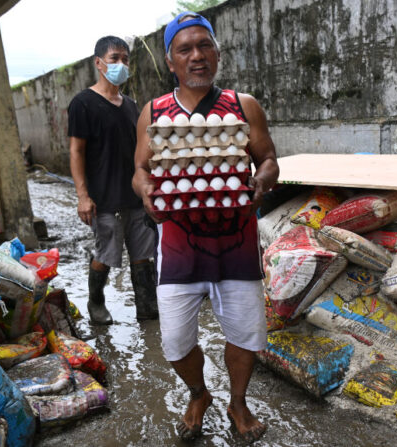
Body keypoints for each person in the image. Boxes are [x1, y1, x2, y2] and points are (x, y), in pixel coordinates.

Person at [132, 12, 279, 444]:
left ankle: (238, 400)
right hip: (180, 244)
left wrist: (261, 181)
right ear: (170, 60)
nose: (197, 56)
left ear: (217, 52)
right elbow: (139, 169)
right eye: (185, 49)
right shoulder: (155, 114)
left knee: (246, 335)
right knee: (175, 342)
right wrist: (145, 191)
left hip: (236, 240)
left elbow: (269, 159)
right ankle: (199, 393)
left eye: (205, 46)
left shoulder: (242, 105)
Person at [68, 36, 158, 325]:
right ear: (98, 63)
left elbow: (142, 153)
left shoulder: (132, 106)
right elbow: (77, 151)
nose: (121, 64)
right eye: (114, 58)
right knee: (106, 254)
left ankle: (147, 309)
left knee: (143, 255)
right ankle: (96, 302)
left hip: (135, 196)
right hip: (105, 198)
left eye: (125, 59)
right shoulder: (83, 103)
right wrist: (83, 196)